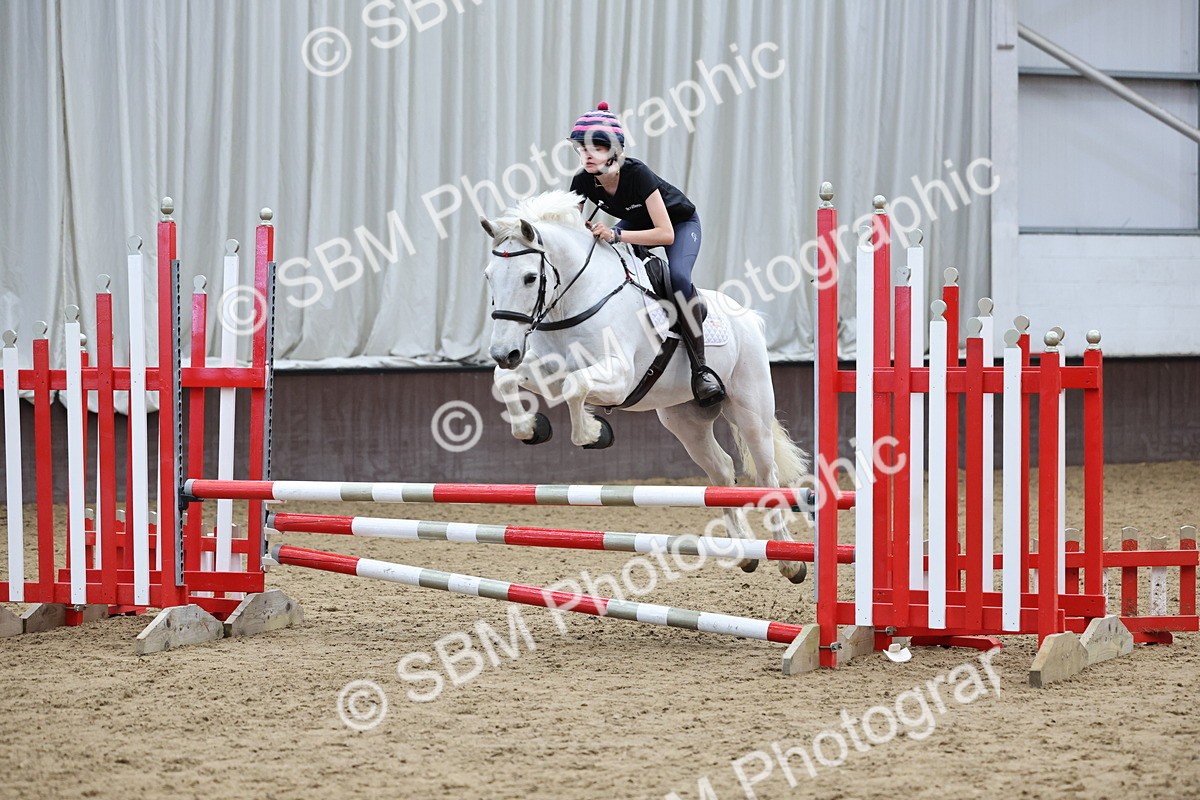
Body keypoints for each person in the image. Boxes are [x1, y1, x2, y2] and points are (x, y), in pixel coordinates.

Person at [566, 102, 725, 407]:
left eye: (595, 147)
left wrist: (616, 234)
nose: (586, 154)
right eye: (581, 147)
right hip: (638, 224)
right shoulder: (581, 181)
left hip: (678, 225)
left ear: (614, 151)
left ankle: (701, 369)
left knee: (678, 276)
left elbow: (664, 233)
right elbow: (574, 230)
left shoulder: (637, 173)